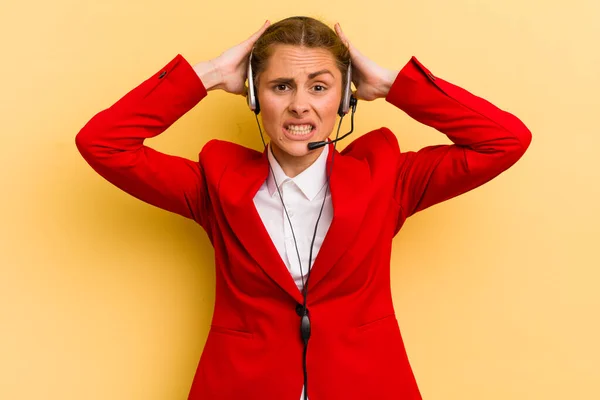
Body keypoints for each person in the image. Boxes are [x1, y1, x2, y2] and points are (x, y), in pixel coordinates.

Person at [75, 16, 531, 400]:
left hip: (367, 386)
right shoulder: (215, 184)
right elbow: (103, 143)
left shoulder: (387, 177)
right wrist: (210, 74)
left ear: (346, 96)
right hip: (241, 387)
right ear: (254, 96)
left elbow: (505, 141)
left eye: (319, 87)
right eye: (280, 86)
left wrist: (393, 85)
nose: (299, 105)